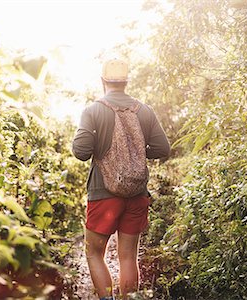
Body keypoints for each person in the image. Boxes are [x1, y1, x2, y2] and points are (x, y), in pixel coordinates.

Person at [72, 58, 170, 299]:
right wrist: (135, 150)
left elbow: (81, 152)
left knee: (94, 253)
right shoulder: (144, 110)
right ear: (126, 82)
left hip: (103, 194)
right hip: (136, 194)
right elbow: (163, 148)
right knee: (128, 256)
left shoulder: (93, 110)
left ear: (103, 80)